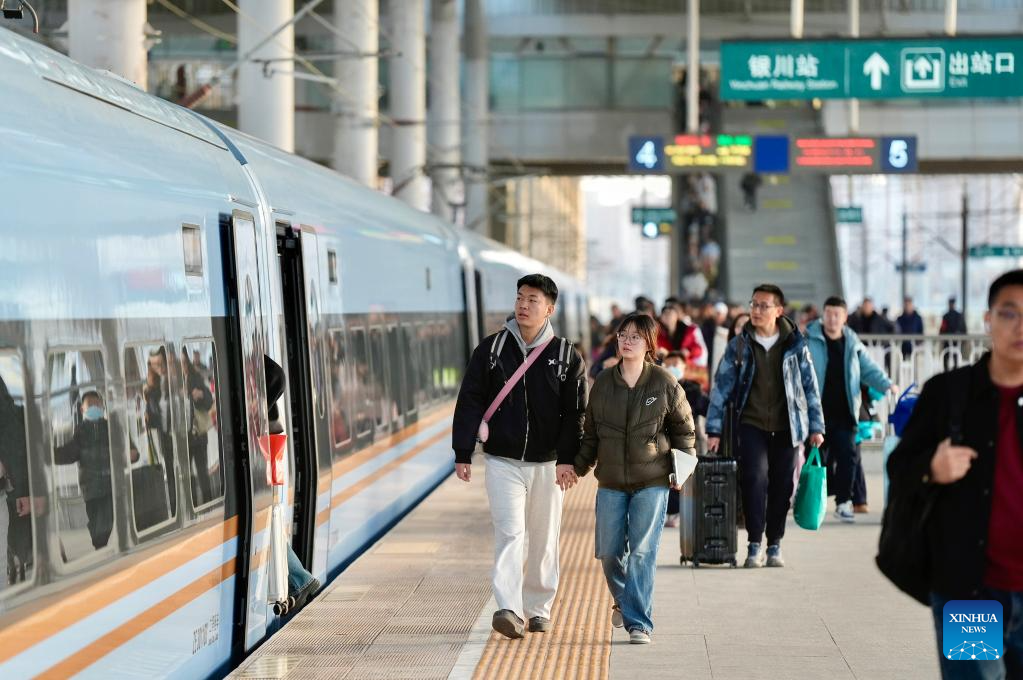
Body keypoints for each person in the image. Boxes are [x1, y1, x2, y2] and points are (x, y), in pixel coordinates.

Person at [887, 269, 1023, 678]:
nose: (1020, 326)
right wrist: (932, 468)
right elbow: (899, 467)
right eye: (1009, 313)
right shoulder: (949, 393)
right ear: (988, 320)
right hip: (969, 592)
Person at [451, 274, 586, 639]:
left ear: (549, 309)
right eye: (520, 297)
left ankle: (539, 608)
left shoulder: (565, 356)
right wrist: (463, 451)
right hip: (502, 460)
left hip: (548, 463)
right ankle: (508, 608)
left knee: (543, 537)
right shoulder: (492, 350)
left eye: (533, 300)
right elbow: (470, 400)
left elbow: (576, 413)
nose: (524, 305)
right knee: (510, 533)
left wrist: (568, 459)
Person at [570, 313, 696, 644]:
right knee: (609, 552)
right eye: (622, 335)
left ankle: (638, 623)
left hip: (652, 480)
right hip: (611, 481)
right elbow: (590, 435)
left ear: (649, 344)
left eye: (635, 337)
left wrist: (681, 471)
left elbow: (684, 431)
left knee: (642, 552)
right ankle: (626, 601)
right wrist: (576, 468)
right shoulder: (603, 384)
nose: (626, 341)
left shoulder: (664, 383)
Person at [706, 284, 825, 568]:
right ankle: (754, 544)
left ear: (779, 310)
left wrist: (816, 427)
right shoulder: (740, 345)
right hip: (752, 424)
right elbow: (720, 388)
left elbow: (810, 387)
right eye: (753, 304)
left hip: (788, 426)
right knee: (754, 479)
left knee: (783, 485)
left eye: (763, 305)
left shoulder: (796, 345)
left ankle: (775, 544)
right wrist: (713, 429)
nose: (756, 310)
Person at [806, 297, 897, 523]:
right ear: (823, 315)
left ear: (845, 317)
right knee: (817, 461)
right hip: (817, 415)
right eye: (828, 313)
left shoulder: (853, 344)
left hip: (846, 412)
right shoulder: (810, 340)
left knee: (849, 458)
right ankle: (815, 502)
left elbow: (869, 369)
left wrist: (887, 385)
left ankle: (844, 503)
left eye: (837, 314)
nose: (832, 319)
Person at [263, 356, 321, 609]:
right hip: (270, 448)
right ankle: (300, 581)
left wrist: (256, 413)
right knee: (268, 522)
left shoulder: (254, 364)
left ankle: (300, 581)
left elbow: (277, 377)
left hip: (267, 450)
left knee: (267, 523)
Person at [54, 392, 114, 550]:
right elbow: (70, 453)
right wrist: (51, 454)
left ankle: (101, 544)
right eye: (90, 405)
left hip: (110, 484)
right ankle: (99, 544)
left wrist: (132, 454)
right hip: (90, 486)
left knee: (108, 518)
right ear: (82, 409)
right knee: (95, 519)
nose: (95, 407)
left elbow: (126, 448)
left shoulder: (110, 427)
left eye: (97, 404)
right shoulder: (81, 431)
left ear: (102, 406)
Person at [661, 351, 709, 528]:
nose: (672, 367)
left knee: (683, 476)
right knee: (666, 476)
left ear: (684, 367)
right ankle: (668, 511)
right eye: (668, 364)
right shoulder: (658, 387)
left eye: (676, 364)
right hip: (664, 441)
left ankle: (678, 512)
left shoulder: (693, 390)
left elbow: (708, 408)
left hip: (688, 441)